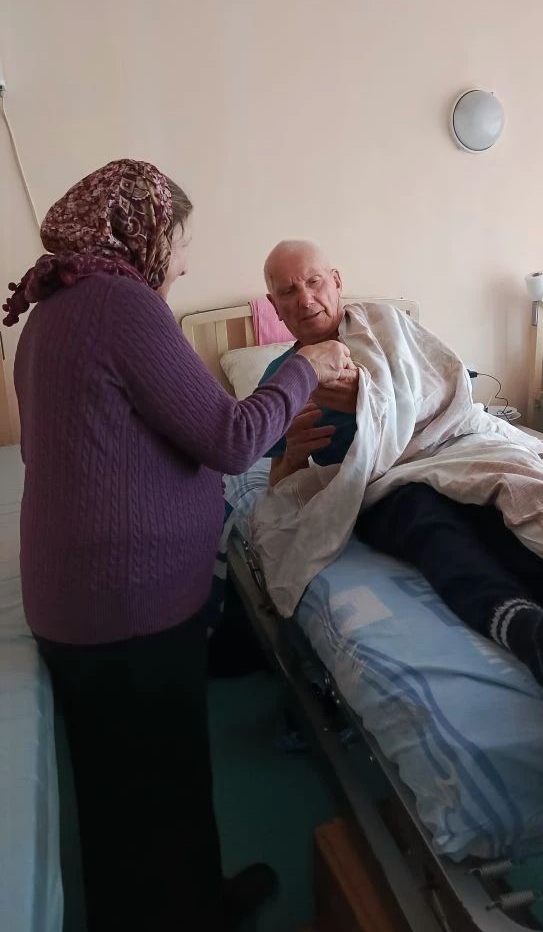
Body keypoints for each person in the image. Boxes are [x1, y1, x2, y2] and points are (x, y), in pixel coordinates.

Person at [7, 164, 353, 932]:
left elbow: (106, 441)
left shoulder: (56, 308)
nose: (186, 262)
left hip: (78, 602)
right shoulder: (122, 305)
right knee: (168, 783)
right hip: (128, 608)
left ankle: (172, 905)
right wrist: (303, 368)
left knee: (116, 794)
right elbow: (231, 439)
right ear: (143, 232)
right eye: (180, 240)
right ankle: (198, 913)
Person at [258, 239, 543, 720]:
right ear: (275, 306)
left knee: (513, 505)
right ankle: (534, 638)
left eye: (314, 281)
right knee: (433, 530)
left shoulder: (387, 326)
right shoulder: (282, 380)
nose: (305, 299)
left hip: (455, 446)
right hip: (383, 483)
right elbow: (280, 485)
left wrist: (376, 397)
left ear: (337, 282)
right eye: (288, 292)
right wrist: (293, 452)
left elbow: (448, 387)